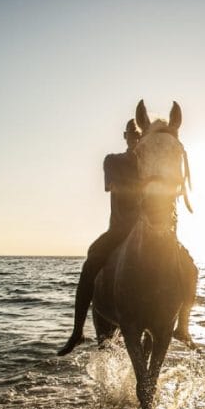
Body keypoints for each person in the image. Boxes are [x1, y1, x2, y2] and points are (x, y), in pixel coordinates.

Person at [59, 119, 143, 355]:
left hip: (149, 230)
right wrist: (146, 184)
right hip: (119, 229)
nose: (136, 140)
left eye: (139, 137)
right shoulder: (113, 160)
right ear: (125, 136)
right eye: (132, 136)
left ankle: (181, 326)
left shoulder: (151, 163)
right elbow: (113, 187)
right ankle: (77, 332)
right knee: (91, 262)